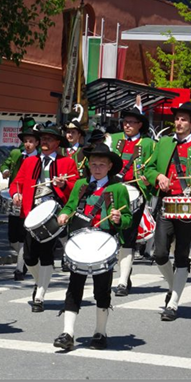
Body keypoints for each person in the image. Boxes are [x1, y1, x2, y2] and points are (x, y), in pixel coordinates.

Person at [53, 143, 132, 350]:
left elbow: (128, 219)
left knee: (102, 289)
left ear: (109, 167)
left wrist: (118, 218)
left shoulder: (118, 188)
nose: (97, 168)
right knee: (74, 287)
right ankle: (67, 333)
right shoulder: (81, 185)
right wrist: (64, 214)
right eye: (93, 164)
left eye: (101, 165)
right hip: (80, 241)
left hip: (103, 244)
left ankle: (100, 332)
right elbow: (70, 206)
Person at [144, 102, 191, 321]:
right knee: (159, 254)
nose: (179, 123)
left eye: (184, 119)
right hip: (166, 203)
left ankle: (173, 304)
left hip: (188, 205)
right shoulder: (164, 143)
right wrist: (158, 177)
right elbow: (149, 168)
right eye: (177, 119)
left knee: (182, 255)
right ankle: (173, 286)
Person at [10, 123, 79, 312]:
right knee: (29, 257)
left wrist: (63, 185)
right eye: (43, 138)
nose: (44, 141)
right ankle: (39, 281)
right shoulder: (30, 161)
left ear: (57, 142)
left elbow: (76, 188)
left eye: (49, 138)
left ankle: (40, 295)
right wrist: (16, 193)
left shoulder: (67, 162)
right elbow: (17, 183)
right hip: (31, 213)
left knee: (46, 253)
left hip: (53, 214)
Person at [108, 106, 156, 297]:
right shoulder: (113, 139)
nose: (127, 125)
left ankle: (122, 281)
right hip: (112, 190)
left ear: (140, 125)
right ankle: (120, 274)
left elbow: (154, 167)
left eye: (131, 122)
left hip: (135, 192)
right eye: (125, 122)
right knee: (110, 233)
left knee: (128, 236)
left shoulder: (149, 144)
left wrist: (148, 180)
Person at [0, 118, 40, 281]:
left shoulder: (39, 159)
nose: (28, 144)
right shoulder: (17, 155)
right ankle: (26, 257)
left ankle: (19, 268)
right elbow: (6, 164)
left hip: (30, 201)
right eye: (26, 141)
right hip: (16, 198)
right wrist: (5, 171)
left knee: (24, 236)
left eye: (31, 141)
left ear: (37, 143)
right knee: (12, 238)